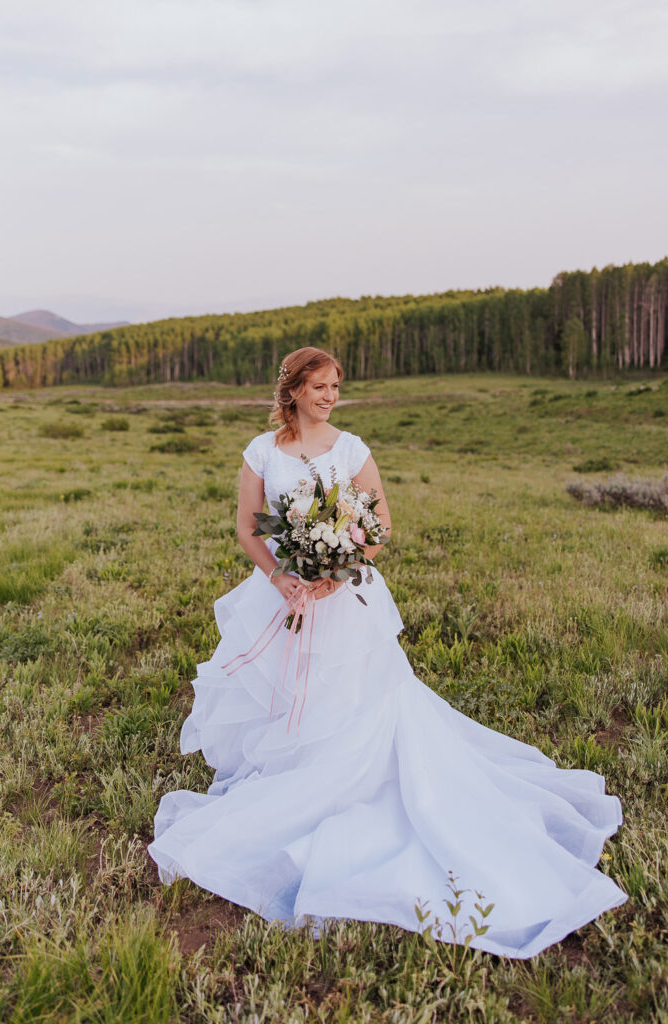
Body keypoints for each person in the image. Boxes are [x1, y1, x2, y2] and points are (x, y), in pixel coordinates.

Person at [148, 346, 626, 959]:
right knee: (291, 696)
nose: (329, 396)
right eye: (318, 386)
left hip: (345, 599)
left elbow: (379, 526)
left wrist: (335, 571)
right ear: (291, 390)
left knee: (360, 701)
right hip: (285, 592)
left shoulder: (352, 450)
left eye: (335, 386)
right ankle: (296, 772)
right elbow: (248, 526)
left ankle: (349, 780)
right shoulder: (261, 452)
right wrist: (282, 577)